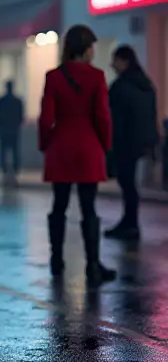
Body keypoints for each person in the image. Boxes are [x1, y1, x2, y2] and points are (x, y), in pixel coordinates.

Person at [39, 24, 115, 284]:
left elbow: (46, 118)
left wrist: (45, 144)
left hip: (60, 148)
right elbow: (103, 117)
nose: (94, 50)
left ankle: (56, 260)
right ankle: (92, 266)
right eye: (92, 46)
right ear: (85, 49)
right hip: (88, 148)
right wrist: (104, 146)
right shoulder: (97, 77)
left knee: (59, 206)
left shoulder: (54, 77)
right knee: (88, 208)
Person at [106, 45, 158, 240]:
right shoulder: (146, 84)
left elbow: (113, 118)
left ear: (124, 61)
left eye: (115, 60)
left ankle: (130, 223)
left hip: (124, 141)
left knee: (126, 182)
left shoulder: (121, 87)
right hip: (140, 141)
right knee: (129, 182)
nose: (112, 65)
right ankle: (130, 222)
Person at [0, 80, 24, 182]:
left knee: (3, 151)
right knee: (14, 151)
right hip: (13, 129)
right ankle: (14, 170)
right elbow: (20, 116)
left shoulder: (1, 101)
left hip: (3, 129)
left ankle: (4, 170)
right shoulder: (17, 101)